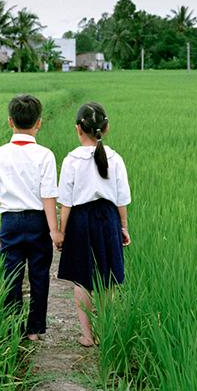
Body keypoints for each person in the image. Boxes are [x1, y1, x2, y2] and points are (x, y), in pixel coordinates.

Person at [0, 94, 61, 340]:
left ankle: (12, 327)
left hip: (10, 223)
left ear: (10, 122)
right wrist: (54, 231)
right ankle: (35, 329)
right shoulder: (45, 155)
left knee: (11, 275)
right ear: (39, 122)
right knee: (39, 274)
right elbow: (49, 196)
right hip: (38, 222)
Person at [57, 101, 131, 347]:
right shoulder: (115, 158)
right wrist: (123, 227)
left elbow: (66, 203)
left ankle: (87, 335)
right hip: (108, 218)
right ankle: (106, 330)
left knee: (82, 279)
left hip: (80, 220)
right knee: (108, 278)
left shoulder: (72, 160)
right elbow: (121, 200)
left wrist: (61, 231)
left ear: (78, 128)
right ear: (106, 128)